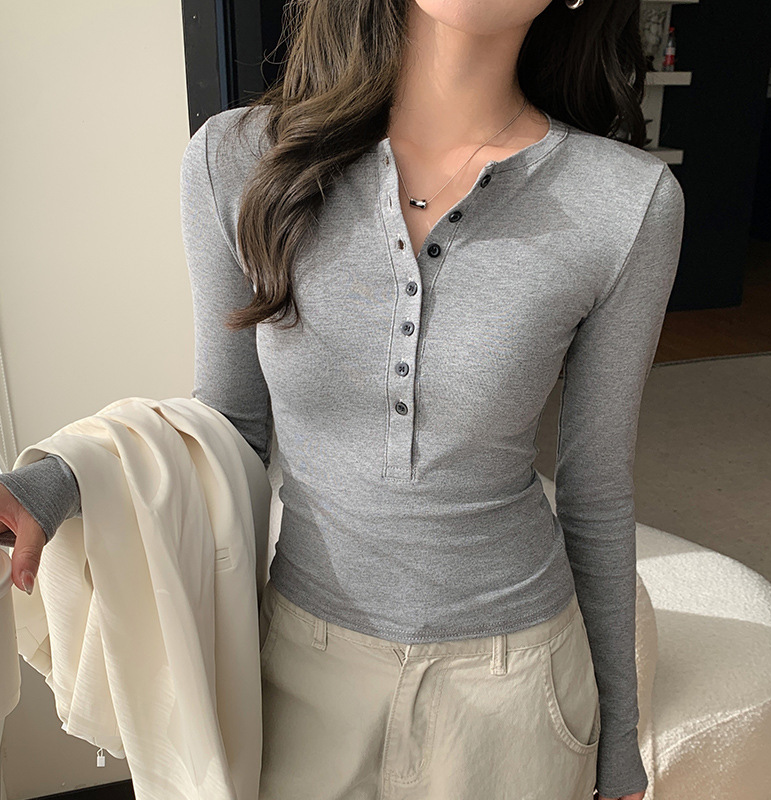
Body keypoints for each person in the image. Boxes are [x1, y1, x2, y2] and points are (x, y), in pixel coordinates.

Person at [0, 0, 685, 798]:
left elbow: (596, 492)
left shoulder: (628, 202)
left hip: (519, 690)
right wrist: (63, 478)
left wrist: (618, 742)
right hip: (303, 671)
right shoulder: (237, 159)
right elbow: (227, 428)